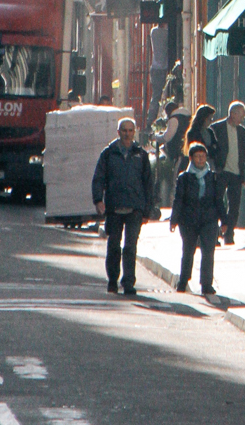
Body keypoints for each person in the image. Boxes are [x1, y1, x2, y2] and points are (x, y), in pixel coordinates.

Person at [91, 116, 156, 297]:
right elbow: (98, 178)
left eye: (130, 131)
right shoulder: (108, 153)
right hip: (114, 207)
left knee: (130, 247)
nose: (127, 134)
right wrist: (98, 200)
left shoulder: (141, 155)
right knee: (114, 245)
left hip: (135, 207)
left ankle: (128, 282)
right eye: (124, 131)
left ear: (134, 132)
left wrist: (147, 210)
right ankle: (113, 280)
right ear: (118, 132)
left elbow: (148, 183)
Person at [170, 139, 224, 295]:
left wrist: (224, 220)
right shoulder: (184, 178)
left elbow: (219, 200)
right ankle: (183, 281)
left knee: (208, 252)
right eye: (197, 156)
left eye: (203, 156)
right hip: (188, 219)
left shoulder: (213, 177)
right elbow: (178, 200)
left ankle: (206, 284)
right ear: (191, 158)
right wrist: (174, 220)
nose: (200, 159)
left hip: (209, 219)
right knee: (188, 250)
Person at [206, 100, 245, 244]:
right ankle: (217, 231)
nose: (242, 119)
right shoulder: (216, 128)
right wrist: (214, 168)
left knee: (234, 206)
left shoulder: (242, 131)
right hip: (221, 171)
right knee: (217, 201)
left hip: (236, 173)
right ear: (232, 114)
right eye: (241, 116)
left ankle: (229, 234)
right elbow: (210, 150)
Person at [176, 102, 216, 174]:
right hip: (196, 165)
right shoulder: (193, 133)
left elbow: (216, 147)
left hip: (208, 164)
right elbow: (196, 149)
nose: (211, 121)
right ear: (203, 118)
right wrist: (210, 149)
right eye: (209, 119)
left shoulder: (210, 132)